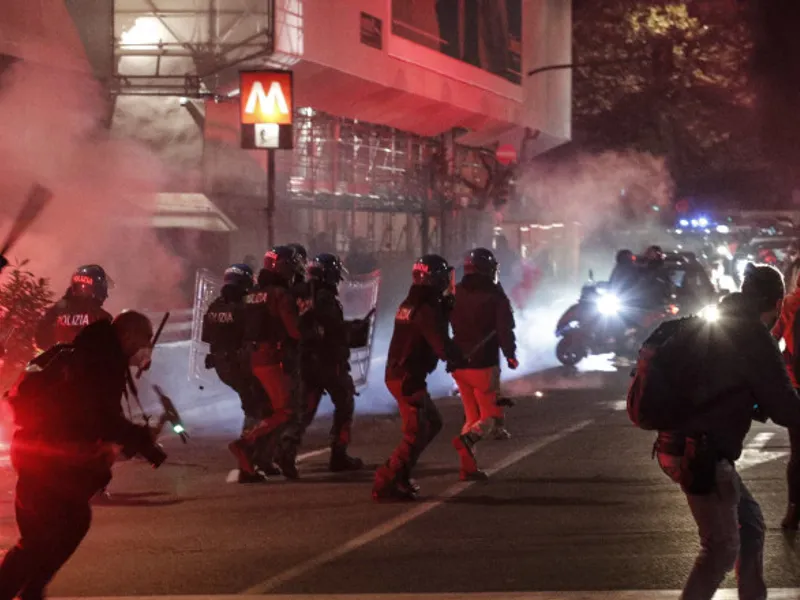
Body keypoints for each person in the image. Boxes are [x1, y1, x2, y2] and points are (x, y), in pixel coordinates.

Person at [654, 263, 800, 600]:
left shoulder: (716, 320)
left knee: (749, 525)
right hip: (701, 453)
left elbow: (722, 385)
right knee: (720, 548)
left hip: (674, 443)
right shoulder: (753, 337)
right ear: (776, 303)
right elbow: (786, 409)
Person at [0, 311, 166, 600]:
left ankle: (32, 591)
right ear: (127, 335)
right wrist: (142, 441)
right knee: (52, 532)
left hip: (34, 449)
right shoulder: (102, 361)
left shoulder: (89, 352)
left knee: (59, 528)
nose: (146, 345)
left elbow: (93, 417)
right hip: (48, 455)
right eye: (145, 337)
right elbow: (102, 417)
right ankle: (27, 590)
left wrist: (132, 441)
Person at [373, 254, 464, 502]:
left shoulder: (413, 302)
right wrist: (459, 358)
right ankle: (388, 478)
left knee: (432, 422)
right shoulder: (425, 309)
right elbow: (440, 344)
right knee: (416, 430)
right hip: (406, 377)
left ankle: (399, 474)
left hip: (403, 374)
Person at [279, 253, 365, 474]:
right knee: (345, 405)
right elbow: (332, 330)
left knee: (304, 409)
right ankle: (339, 454)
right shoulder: (325, 297)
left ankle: (287, 450)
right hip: (329, 361)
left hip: (305, 361)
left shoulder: (298, 294)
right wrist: (352, 330)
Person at [230, 246, 301, 478]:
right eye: (292, 265)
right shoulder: (280, 294)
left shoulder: (253, 293)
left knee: (265, 410)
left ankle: (252, 463)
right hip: (270, 358)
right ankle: (246, 444)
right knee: (286, 410)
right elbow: (295, 331)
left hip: (249, 358)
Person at [202, 264, 274, 483]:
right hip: (242, 364)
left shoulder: (215, 307)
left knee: (256, 406)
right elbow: (255, 331)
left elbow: (208, 337)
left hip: (223, 366)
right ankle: (247, 463)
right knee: (260, 408)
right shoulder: (246, 306)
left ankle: (260, 459)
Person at [450, 248, 517, 481]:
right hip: (483, 364)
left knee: (470, 416)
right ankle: (467, 441)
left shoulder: (455, 292)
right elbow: (505, 329)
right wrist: (511, 355)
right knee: (487, 420)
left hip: (459, 365)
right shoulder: (495, 296)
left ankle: (467, 467)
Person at [772, 271, 800, 530]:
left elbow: (771, 338)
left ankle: (793, 511)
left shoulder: (790, 303)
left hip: (797, 386)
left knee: (798, 454)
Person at [35, 265, 112, 351]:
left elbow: (40, 340)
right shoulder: (102, 318)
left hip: (55, 362)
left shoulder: (56, 311)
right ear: (99, 288)